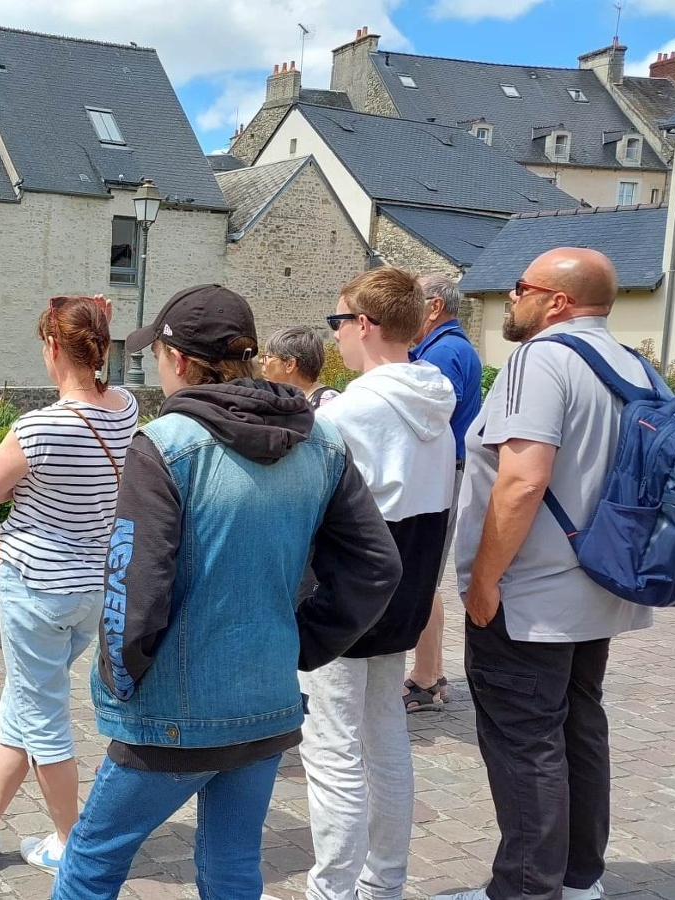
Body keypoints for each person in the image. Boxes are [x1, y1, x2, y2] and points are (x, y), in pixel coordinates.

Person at [52, 285, 402, 900]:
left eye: (158, 354)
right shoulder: (319, 442)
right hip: (265, 698)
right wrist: (297, 644)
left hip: (171, 713)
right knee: (233, 866)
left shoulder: (165, 445)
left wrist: (119, 676)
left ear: (179, 360)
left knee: (92, 859)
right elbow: (375, 565)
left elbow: (134, 587)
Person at [435, 249, 653, 900]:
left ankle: (528, 889)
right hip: (601, 582)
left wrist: (482, 580)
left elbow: (522, 479)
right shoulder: (635, 365)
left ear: (556, 301)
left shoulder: (541, 359)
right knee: (578, 726)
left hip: (529, 593)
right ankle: (578, 879)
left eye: (520, 286)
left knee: (525, 740)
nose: (510, 297)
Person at [0, 296, 139, 875]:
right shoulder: (126, 407)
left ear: (52, 348)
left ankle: (70, 843)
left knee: (44, 716)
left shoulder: (39, 427)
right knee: (26, 703)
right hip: (96, 589)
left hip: (37, 587)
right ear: (103, 348)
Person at [302, 268, 456, 900]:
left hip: (343, 594)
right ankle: (382, 882)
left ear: (364, 325)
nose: (334, 337)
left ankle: (332, 889)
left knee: (332, 747)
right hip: (405, 589)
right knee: (384, 736)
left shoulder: (354, 411)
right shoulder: (437, 404)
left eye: (338, 323)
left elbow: (305, 506)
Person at [404, 275, 484, 712]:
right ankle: (429, 674)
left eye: (411, 301)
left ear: (433, 307)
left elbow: (430, 415)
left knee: (424, 576)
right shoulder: (447, 347)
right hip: (446, 470)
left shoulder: (446, 351)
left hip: (441, 471)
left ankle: (427, 676)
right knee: (426, 577)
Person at [262, 325, 341, 407]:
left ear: (290, 365)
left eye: (269, 357)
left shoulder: (327, 401)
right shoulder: (280, 399)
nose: (261, 361)